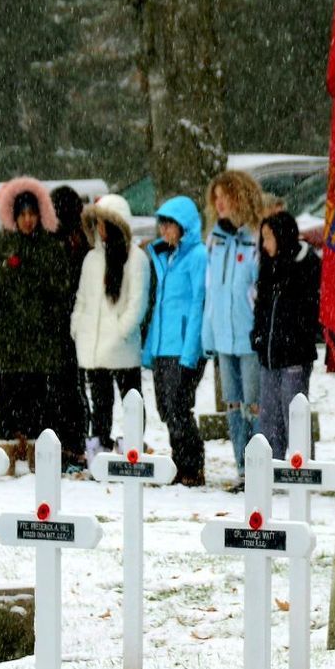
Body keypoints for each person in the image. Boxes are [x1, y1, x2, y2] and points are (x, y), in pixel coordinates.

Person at [0, 177, 74, 465]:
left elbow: (61, 293)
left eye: (32, 214)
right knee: (7, 398)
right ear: (13, 215)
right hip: (7, 341)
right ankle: (7, 453)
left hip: (41, 343)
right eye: (23, 215)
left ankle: (34, 454)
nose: (28, 221)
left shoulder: (52, 248)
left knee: (36, 400)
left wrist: (47, 322)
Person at [72, 193, 148, 461]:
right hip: (92, 348)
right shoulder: (92, 259)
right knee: (100, 404)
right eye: (97, 223)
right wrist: (78, 328)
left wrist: (118, 333)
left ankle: (132, 447)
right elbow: (82, 299)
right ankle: (100, 449)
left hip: (121, 348)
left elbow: (137, 305)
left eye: (105, 223)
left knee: (131, 401)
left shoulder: (136, 259)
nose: (100, 229)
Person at [140, 195, 209, 486]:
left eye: (170, 224)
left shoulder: (197, 256)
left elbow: (198, 304)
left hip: (183, 347)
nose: (164, 230)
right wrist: (150, 349)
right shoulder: (165, 257)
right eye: (162, 224)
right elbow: (160, 306)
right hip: (163, 346)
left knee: (179, 406)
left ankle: (192, 464)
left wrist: (190, 352)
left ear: (184, 227)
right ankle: (180, 461)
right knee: (166, 408)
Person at [201, 171, 264, 485]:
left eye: (226, 197)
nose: (220, 204)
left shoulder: (255, 237)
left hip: (249, 335)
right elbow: (210, 291)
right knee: (233, 404)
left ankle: (258, 464)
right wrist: (207, 332)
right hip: (224, 336)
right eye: (217, 198)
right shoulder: (215, 239)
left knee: (254, 403)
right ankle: (241, 466)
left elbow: (257, 285)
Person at [251, 209, 321, 453]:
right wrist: (258, 336)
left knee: (294, 412)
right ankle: (273, 466)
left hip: (294, 354)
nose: (266, 244)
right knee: (269, 415)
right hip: (269, 353)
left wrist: (296, 337)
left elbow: (310, 310)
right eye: (263, 238)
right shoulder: (268, 266)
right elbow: (261, 306)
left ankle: (303, 465)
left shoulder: (306, 264)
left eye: (269, 237)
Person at [49, 185, 91, 457]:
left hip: (71, 322)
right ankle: (70, 439)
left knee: (69, 386)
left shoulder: (76, 241)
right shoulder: (77, 240)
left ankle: (72, 440)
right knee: (69, 386)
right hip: (65, 322)